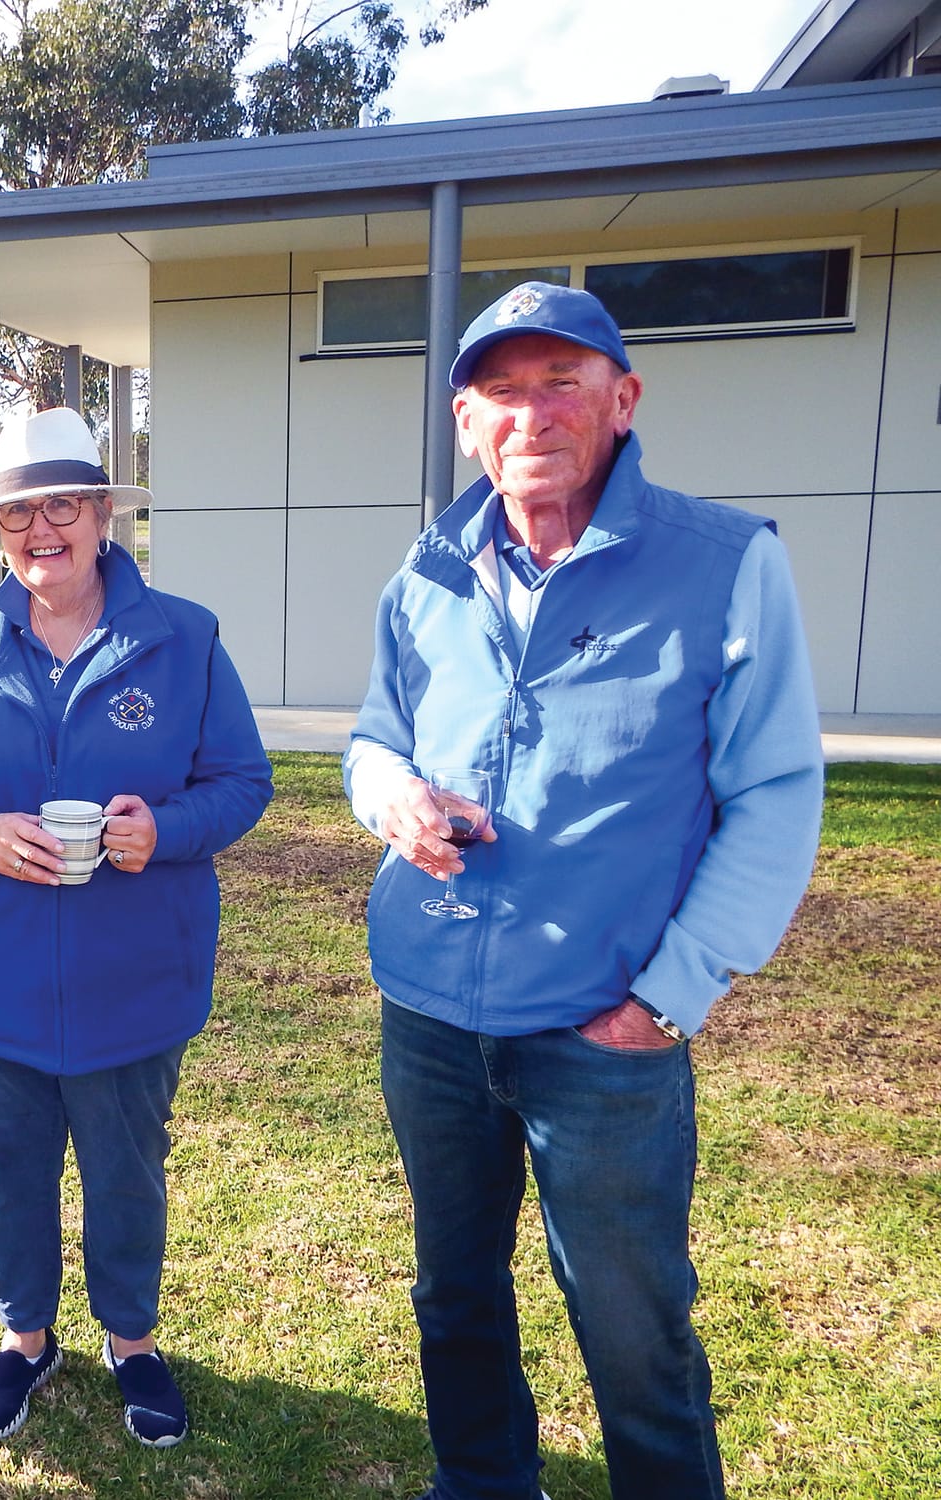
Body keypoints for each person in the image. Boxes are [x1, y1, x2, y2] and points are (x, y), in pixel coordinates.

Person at [346, 283, 824, 1499]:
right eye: (500, 392)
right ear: (465, 421)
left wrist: (668, 998)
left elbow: (772, 793)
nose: (530, 414)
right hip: (430, 1016)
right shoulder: (427, 574)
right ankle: (481, 1483)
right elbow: (371, 738)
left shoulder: (724, 566)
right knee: (452, 1289)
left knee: (629, 1326)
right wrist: (389, 793)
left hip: (603, 1030)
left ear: (622, 399)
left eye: (560, 382)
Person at [0, 407, 272, 1448]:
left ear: (103, 512)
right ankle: (24, 1339)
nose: (39, 529)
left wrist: (169, 829)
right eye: (18, 512)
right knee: (5, 1172)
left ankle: (132, 1342)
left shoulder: (182, 637)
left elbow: (241, 782)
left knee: (123, 1176)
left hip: (131, 977)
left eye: (62, 504)